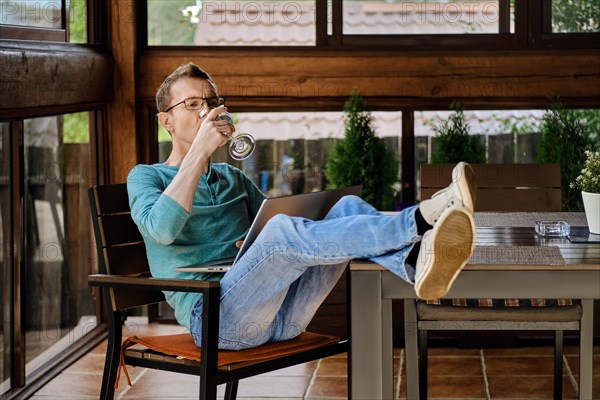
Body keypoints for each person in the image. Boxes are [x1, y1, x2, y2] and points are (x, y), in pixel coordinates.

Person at [127, 62, 477, 351]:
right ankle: (420, 218)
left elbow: (273, 227)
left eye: (212, 101)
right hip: (216, 321)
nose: (206, 111)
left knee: (345, 205)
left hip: (284, 314)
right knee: (280, 233)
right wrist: (200, 151)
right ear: (166, 120)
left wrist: (255, 244)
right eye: (191, 105)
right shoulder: (146, 177)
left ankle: (413, 263)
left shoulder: (231, 178)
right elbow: (162, 229)